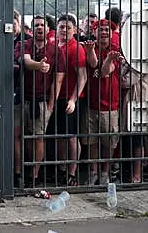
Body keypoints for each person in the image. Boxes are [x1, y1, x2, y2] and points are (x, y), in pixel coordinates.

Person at [15, 16, 55, 187]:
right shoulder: (23, 44)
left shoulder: (54, 50)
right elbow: (25, 61)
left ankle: (35, 174)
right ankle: (18, 172)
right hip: (21, 98)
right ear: (31, 29)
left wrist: (51, 105)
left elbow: (57, 79)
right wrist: (39, 66)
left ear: (47, 29)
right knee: (18, 136)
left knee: (38, 138)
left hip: (41, 101)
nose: (39, 27)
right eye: (36, 25)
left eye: (42, 25)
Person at [81, 19, 122, 185]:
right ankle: (93, 172)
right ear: (94, 32)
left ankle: (105, 172)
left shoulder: (116, 50)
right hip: (91, 103)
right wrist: (90, 50)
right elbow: (93, 64)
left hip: (110, 104)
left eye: (107, 30)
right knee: (91, 141)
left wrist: (110, 58)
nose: (104, 32)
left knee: (108, 142)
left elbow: (105, 71)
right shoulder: (90, 47)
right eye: (100, 30)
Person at [53, 14, 87, 187]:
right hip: (55, 97)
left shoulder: (76, 48)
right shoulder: (53, 45)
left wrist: (73, 100)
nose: (64, 30)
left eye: (67, 27)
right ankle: (61, 168)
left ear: (74, 30)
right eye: (61, 27)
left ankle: (72, 172)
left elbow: (83, 77)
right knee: (60, 136)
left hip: (70, 98)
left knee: (72, 137)